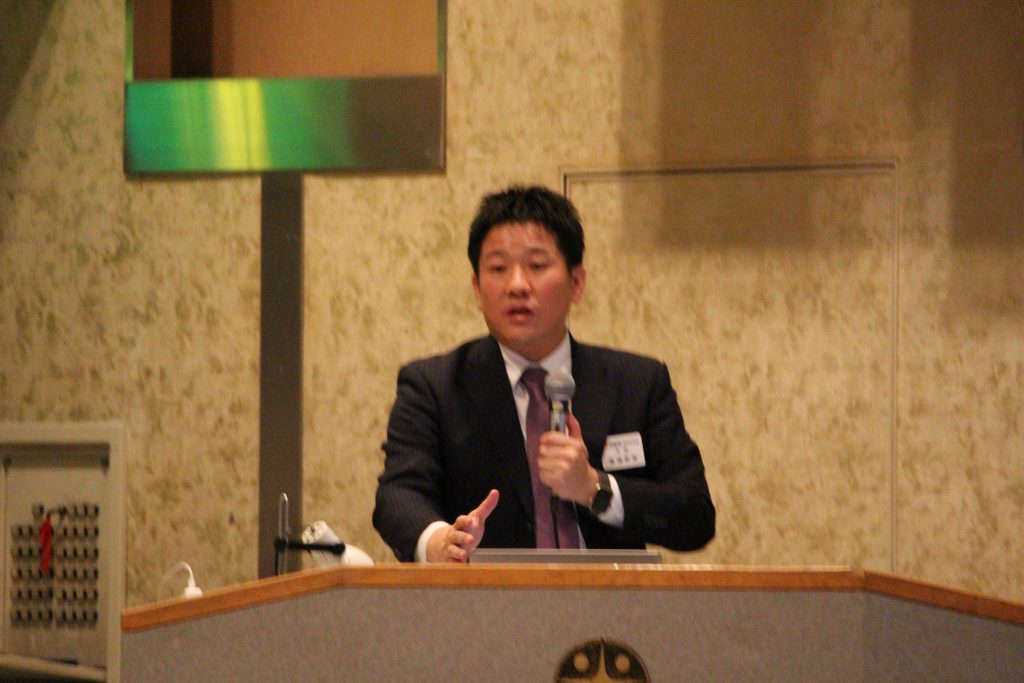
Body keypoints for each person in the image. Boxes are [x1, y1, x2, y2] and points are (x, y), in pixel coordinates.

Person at [373, 185, 715, 562]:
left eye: (537, 266)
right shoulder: (434, 386)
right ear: (477, 289)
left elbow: (695, 516)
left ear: (577, 283)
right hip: (487, 596)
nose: (517, 285)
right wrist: (440, 542)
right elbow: (398, 496)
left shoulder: (637, 382)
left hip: (610, 596)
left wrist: (593, 487)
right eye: (498, 269)